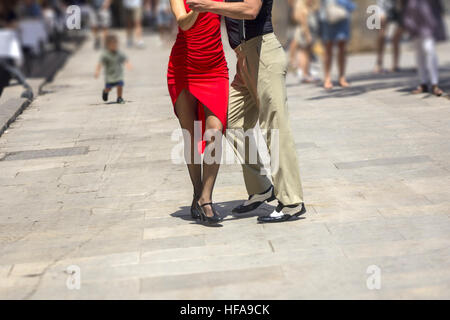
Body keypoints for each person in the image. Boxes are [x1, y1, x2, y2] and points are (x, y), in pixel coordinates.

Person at [187, 0, 306, 223]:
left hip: (264, 54)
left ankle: (291, 201)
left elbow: (251, 10)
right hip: (244, 59)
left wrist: (206, 6)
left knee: (275, 128)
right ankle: (261, 187)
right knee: (230, 120)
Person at [167, 0, 229, 224]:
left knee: (215, 131)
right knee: (190, 136)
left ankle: (206, 197)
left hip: (214, 66)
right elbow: (183, 23)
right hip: (183, 65)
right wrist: (198, 7)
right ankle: (197, 193)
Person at [403, 0, 447, 97]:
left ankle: (435, 84)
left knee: (429, 48)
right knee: (419, 51)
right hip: (413, 15)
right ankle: (423, 83)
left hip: (429, 15)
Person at [318, 0, 355, 89]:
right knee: (328, 47)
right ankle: (327, 78)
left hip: (343, 13)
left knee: (342, 47)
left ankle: (342, 77)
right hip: (327, 15)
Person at [95, 34, 131, 104]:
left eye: (115, 44)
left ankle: (119, 98)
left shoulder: (118, 53)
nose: (114, 46)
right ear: (107, 45)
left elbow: (124, 59)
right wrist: (97, 71)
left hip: (118, 74)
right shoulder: (105, 54)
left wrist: (128, 64)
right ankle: (105, 91)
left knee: (120, 85)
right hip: (109, 76)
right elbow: (100, 63)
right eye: (112, 45)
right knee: (109, 88)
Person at [289, 0, 320, 83]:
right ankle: (305, 74)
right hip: (304, 33)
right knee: (304, 54)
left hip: (307, 33)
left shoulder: (307, 7)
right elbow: (304, 24)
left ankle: (306, 73)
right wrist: (308, 35)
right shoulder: (302, 9)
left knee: (306, 54)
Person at [374, 0, 404, 73]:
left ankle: (395, 64)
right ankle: (379, 63)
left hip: (399, 4)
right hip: (383, 4)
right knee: (382, 33)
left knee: (396, 36)